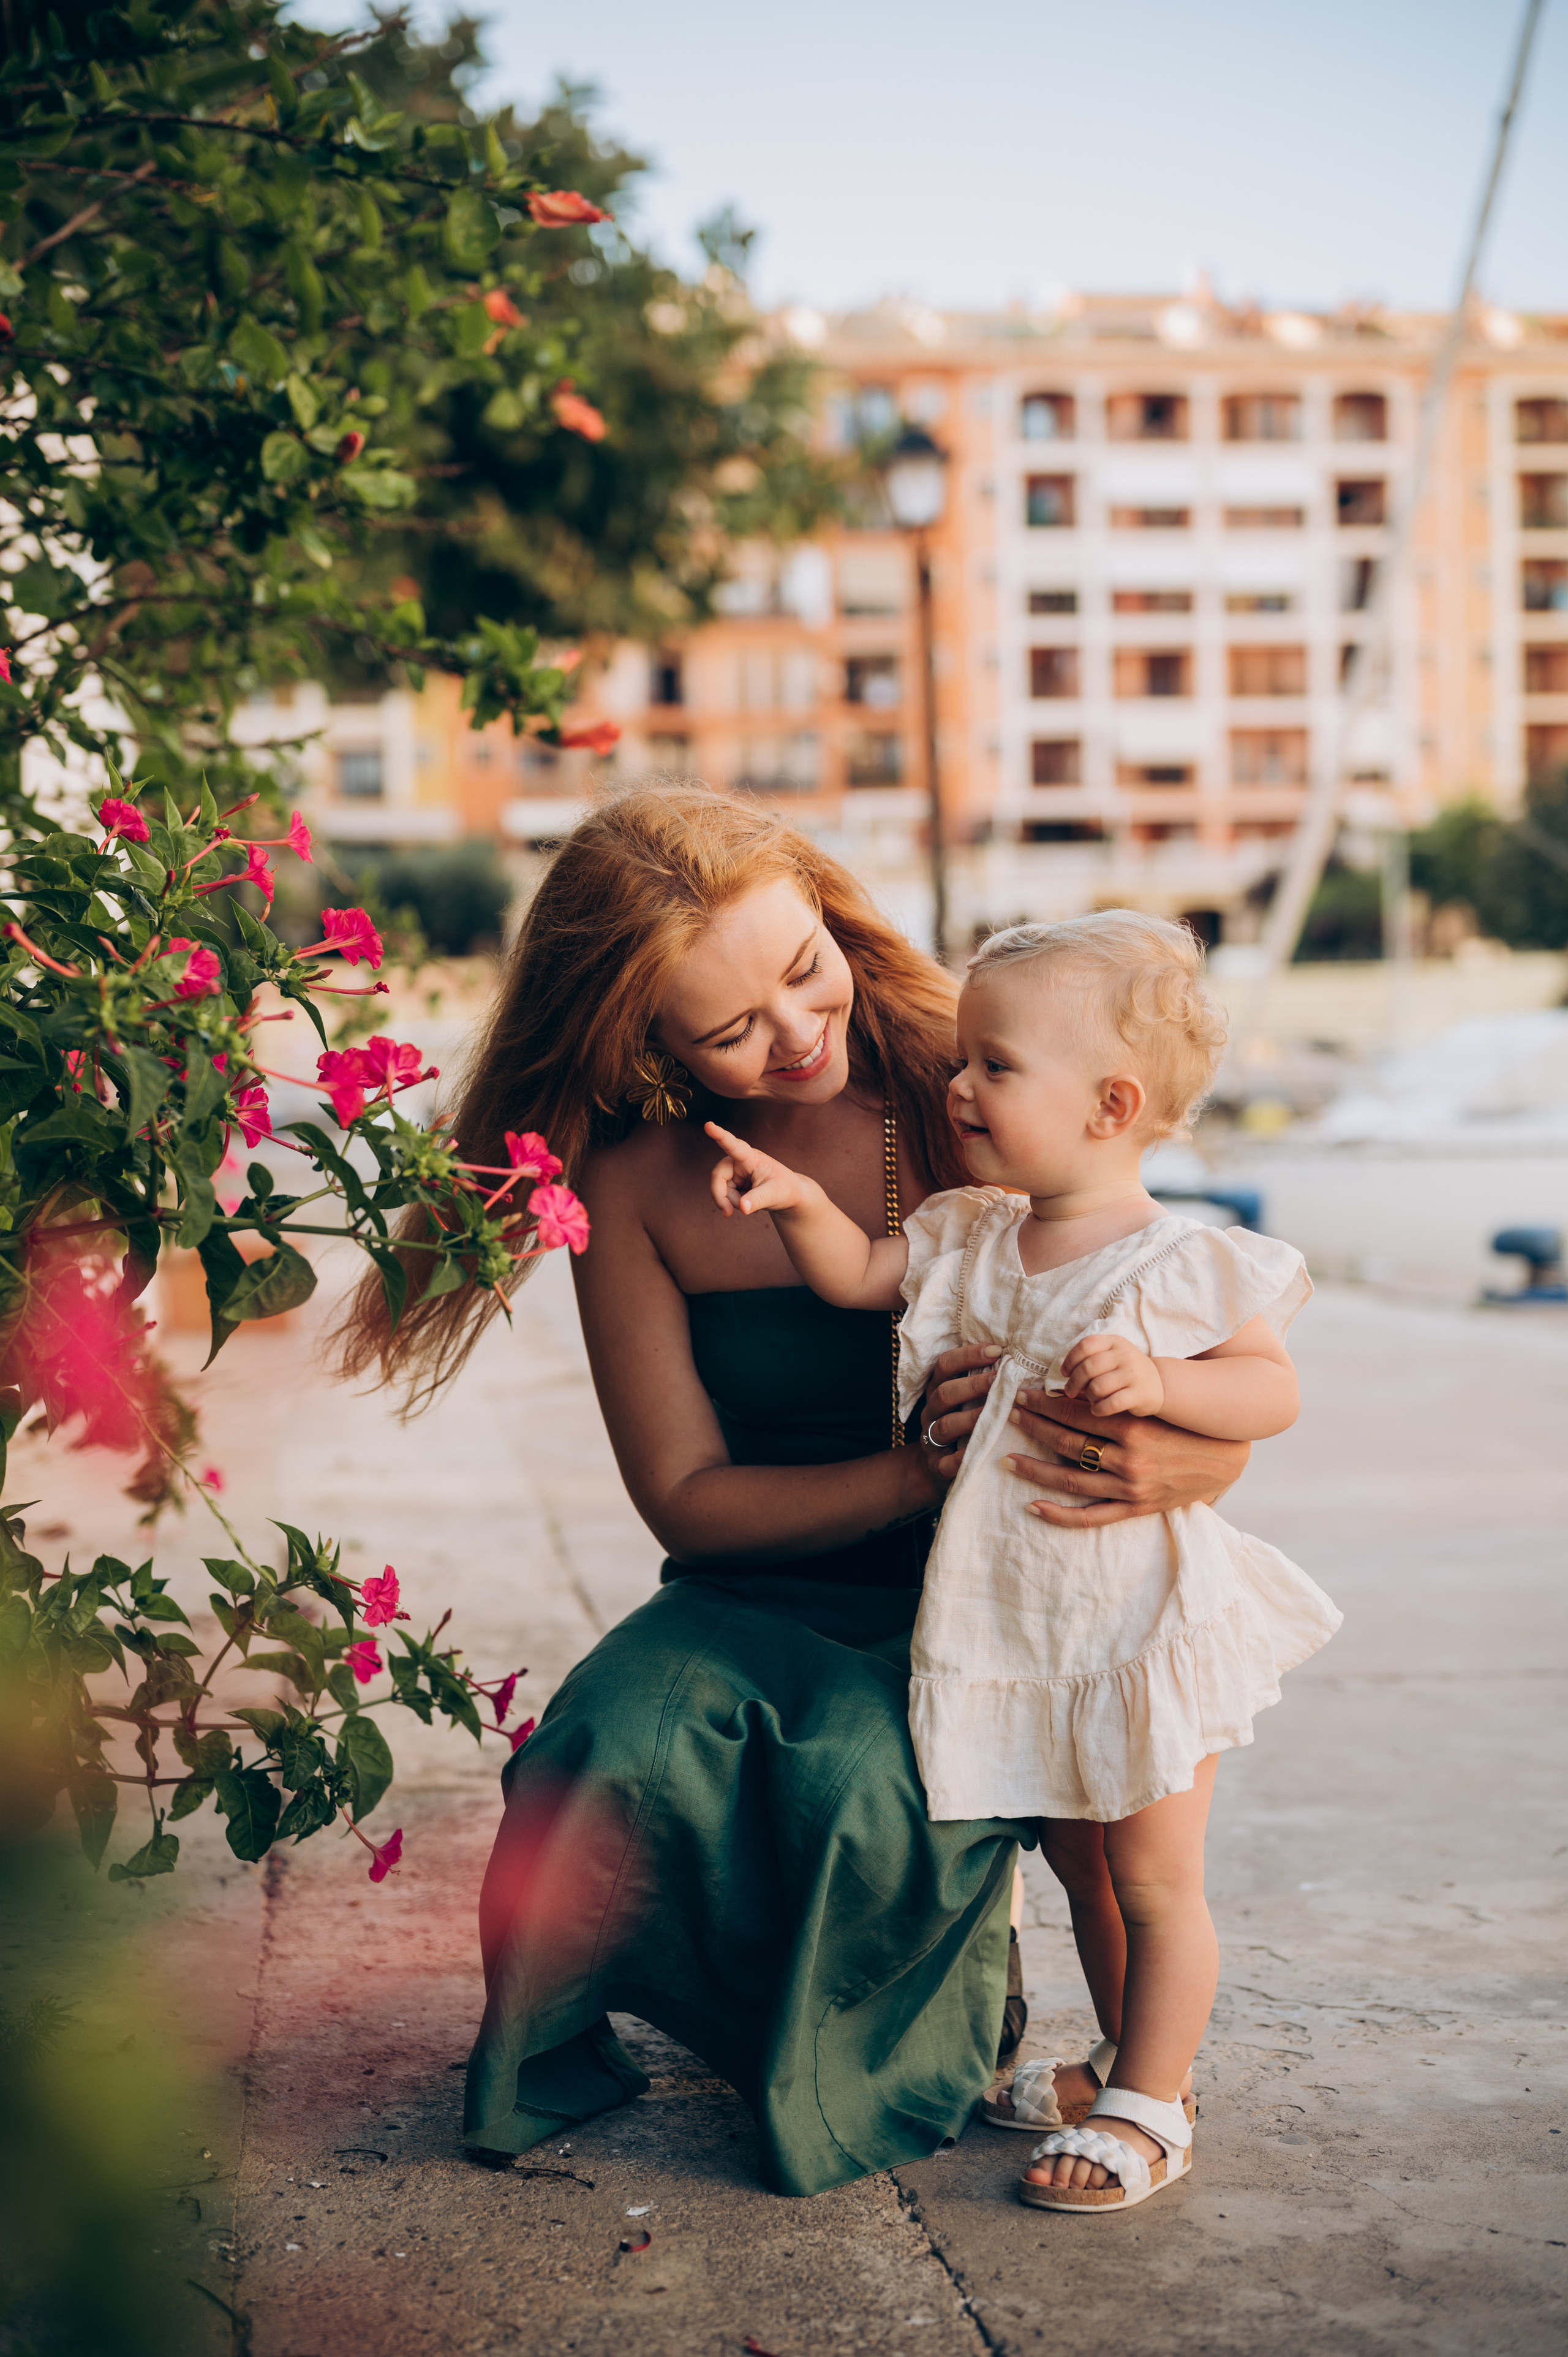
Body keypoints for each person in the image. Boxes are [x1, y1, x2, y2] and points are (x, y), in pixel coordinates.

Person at [333, 785, 1253, 2198]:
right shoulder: (631, 1181)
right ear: (640, 1040)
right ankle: (605, 2033)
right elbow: (687, 1500)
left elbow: (1158, 1310)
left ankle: (1039, 2051)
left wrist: (1188, 1452)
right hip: (757, 1575)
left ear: (828, 911)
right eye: (728, 1028)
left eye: (803, 967)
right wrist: (908, 1468)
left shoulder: (972, 1085)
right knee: (600, 1744)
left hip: (990, 1574)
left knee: (873, 1785)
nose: (798, 1030)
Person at [703, 908, 1342, 2214]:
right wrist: (801, 1206)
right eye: (963, 1058)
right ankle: (1123, 2061)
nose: (957, 1086)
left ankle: (1153, 2105)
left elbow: (1269, 1390)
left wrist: (1163, 1381)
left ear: (1111, 1106)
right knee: (1082, 1870)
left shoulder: (1176, 1260)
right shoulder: (972, 1234)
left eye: (994, 1065)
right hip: (1025, 1628)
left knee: (1154, 1880)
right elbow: (858, 1276)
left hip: (1139, 1625)